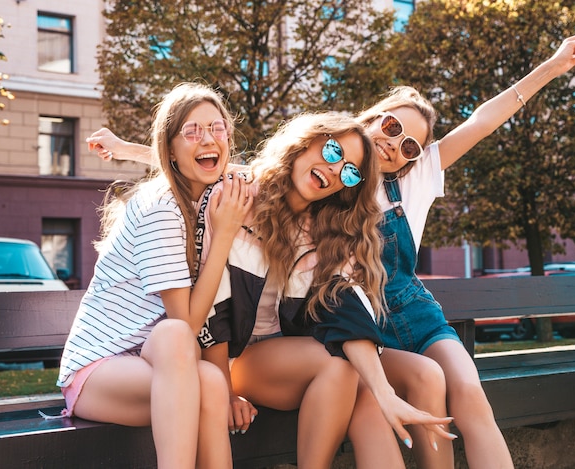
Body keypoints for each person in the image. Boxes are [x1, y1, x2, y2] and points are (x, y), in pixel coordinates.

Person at [89, 111, 457, 468]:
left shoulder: (325, 233)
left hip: (278, 359)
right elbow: (210, 296)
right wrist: (225, 389)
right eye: (332, 152)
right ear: (306, 142)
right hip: (224, 360)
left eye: (348, 172)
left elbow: (344, 309)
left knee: (364, 391)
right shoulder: (236, 196)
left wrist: (383, 390)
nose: (333, 169)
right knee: (345, 371)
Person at [350, 31, 575, 468]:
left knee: (469, 395)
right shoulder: (327, 174)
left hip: (415, 313)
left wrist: (555, 65)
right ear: (372, 118)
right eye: (390, 126)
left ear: (413, 158)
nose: (394, 143)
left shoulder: (414, 178)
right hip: (361, 326)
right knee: (431, 390)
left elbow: (482, 121)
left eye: (409, 144)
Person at [58, 82, 253, 469]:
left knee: (213, 382)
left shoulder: (205, 198)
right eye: (191, 132)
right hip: (98, 372)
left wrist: (129, 149)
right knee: (176, 333)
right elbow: (186, 322)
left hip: (157, 363)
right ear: (170, 150)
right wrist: (226, 234)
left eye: (216, 129)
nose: (207, 139)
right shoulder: (161, 207)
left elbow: (271, 173)